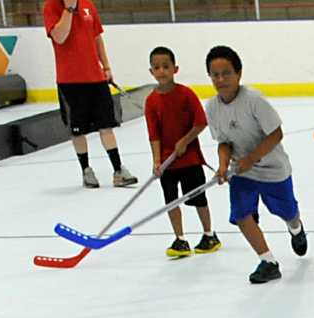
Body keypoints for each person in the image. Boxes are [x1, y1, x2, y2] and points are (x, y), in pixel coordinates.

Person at [203, 44, 307, 286]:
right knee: (241, 214)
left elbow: (276, 134)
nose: (220, 79)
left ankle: (296, 227)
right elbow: (224, 142)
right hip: (242, 172)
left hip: (272, 170)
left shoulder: (254, 100)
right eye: (214, 75)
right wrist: (222, 166)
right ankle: (268, 261)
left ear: (238, 74)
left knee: (286, 211)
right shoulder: (212, 107)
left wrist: (252, 158)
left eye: (226, 73)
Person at [42, 0, 136, 190]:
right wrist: (69, 9)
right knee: (77, 130)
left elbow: (97, 38)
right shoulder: (51, 6)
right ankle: (86, 170)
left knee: (106, 126)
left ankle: (118, 170)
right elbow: (60, 36)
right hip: (70, 81)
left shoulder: (88, 5)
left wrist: (106, 66)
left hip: (96, 78)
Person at [144, 45, 219, 259]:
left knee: (198, 198)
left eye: (166, 66)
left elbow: (201, 121)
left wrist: (185, 141)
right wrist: (157, 161)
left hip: (190, 160)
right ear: (151, 72)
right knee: (171, 201)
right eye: (156, 67)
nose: (161, 71)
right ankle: (180, 239)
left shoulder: (186, 94)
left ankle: (209, 234)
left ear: (175, 69)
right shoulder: (151, 101)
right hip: (168, 163)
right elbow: (153, 134)